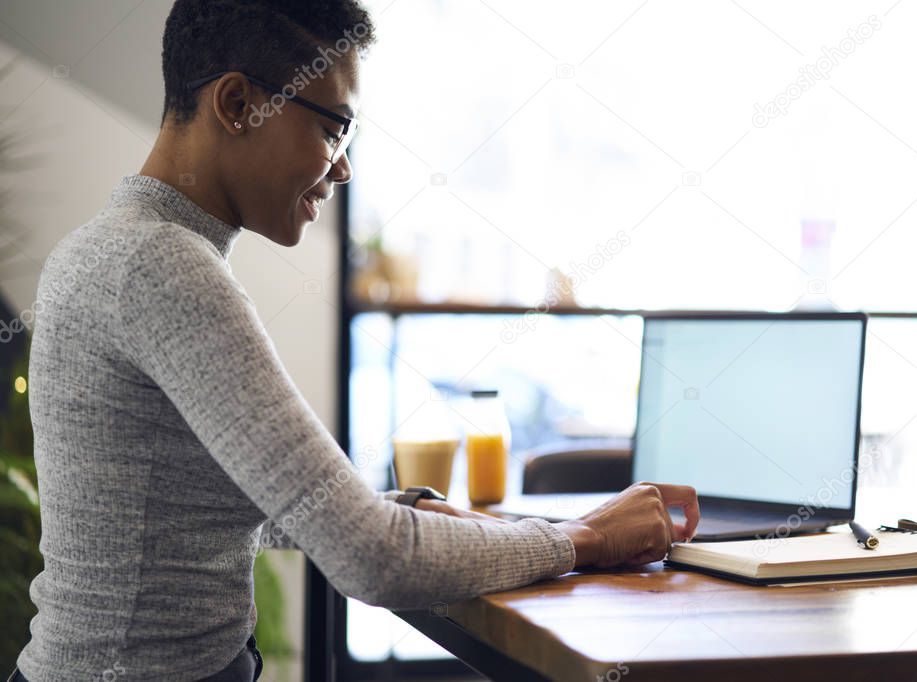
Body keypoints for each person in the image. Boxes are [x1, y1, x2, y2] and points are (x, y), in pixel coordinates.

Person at [9, 1, 699, 680]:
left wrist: (415, 513)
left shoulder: (114, 247)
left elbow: (236, 501)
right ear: (238, 103)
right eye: (336, 127)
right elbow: (373, 560)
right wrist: (584, 539)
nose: (342, 169)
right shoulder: (161, 265)